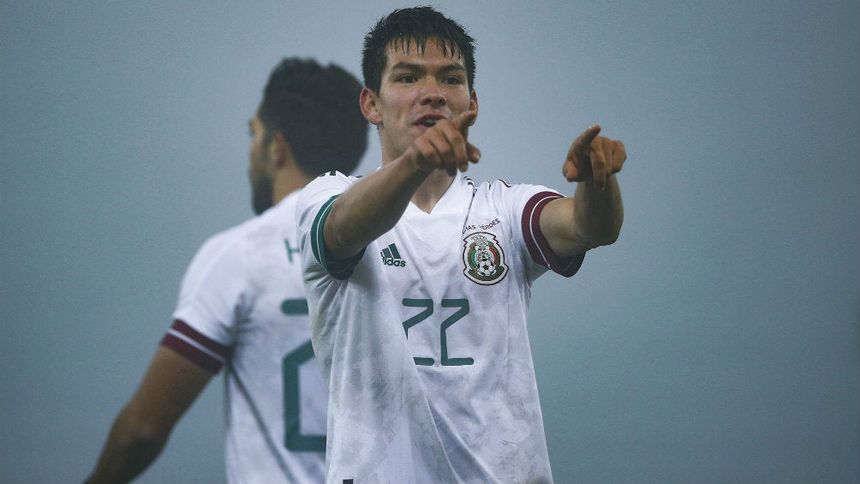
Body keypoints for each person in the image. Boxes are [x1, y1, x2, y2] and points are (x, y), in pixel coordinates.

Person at [296, 6, 626, 483]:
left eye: (450, 79)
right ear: (371, 104)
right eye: (408, 77)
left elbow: (590, 227)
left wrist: (598, 183)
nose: (432, 93)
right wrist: (414, 163)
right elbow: (342, 230)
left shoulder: (506, 208)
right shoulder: (328, 196)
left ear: (472, 100)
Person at [85, 58, 367, 484]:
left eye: (254, 133)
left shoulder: (240, 255)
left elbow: (143, 431)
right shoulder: (393, 251)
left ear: (277, 146)